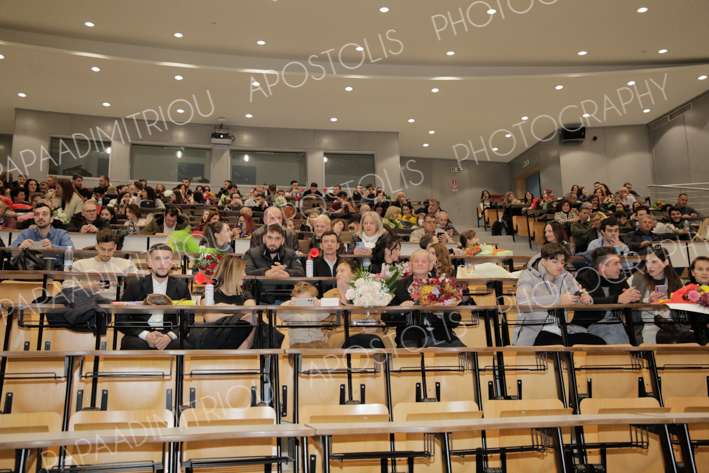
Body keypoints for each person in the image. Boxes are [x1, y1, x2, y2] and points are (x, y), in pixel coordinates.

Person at [514, 243, 602, 346]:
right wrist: (558, 300)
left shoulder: (566, 275)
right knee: (560, 348)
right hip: (536, 332)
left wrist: (584, 298)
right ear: (543, 260)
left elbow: (578, 293)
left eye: (562, 262)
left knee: (599, 343)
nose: (560, 266)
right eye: (555, 262)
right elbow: (523, 303)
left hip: (563, 329)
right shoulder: (527, 276)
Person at [386, 250, 464, 348]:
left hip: (439, 334)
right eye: (416, 261)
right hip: (409, 336)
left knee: (462, 351)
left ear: (430, 266)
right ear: (410, 265)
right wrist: (400, 310)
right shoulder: (398, 286)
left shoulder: (442, 285)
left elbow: (455, 320)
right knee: (411, 352)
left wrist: (442, 313)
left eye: (424, 261)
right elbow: (386, 318)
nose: (420, 264)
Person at [119, 244, 191, 350]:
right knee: (132, 344)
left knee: (182, 346)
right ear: (149, 262)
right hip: (141, 333)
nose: (162, 263)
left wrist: (169, 336)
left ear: (172, 262)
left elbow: (188, 320)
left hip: (169, 333)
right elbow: (121, 319)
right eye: (157, 259)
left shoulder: (181, 287)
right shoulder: (135, 286)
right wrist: (146, 335)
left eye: (167, 259)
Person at [575, 248, 641, 344]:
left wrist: (635, 298)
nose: (620, 267)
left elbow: (628, 299)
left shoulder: (619, 279)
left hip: (617, 326)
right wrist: (617, 299)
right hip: (591, 327)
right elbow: (588, 303)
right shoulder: (584, 278)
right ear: (602, 267)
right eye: (616, 263)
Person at [629, 246, 687, 344]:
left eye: (654, 262)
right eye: (647, 262)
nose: (649, 266)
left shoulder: (676, 281)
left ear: (665, 262)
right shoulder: (635, 279)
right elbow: (629, 306)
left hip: (673, 324)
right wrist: (648, 302)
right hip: (648, 326)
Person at [66, 228, 138, 300]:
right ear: (96, 246)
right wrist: (85, 287)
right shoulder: (79, 265)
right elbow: (66, 287)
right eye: (103, 249)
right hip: (88, 303)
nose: (106, 254)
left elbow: (139, 284)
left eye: (110, 250)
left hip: (115, 303)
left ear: (115, 247)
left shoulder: (126, 264)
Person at [278, 282, 331, 347]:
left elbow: (324, 315)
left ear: (313, 298)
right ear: (295, 297)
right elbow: (282, 314)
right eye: (301, 300)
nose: (304, 303)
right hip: (298, 342)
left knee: (324, 348)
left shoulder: (315, 304)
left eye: (308, 300)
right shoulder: (289, 305)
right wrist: (290, 306)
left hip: (317, 339)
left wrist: (320, 307)